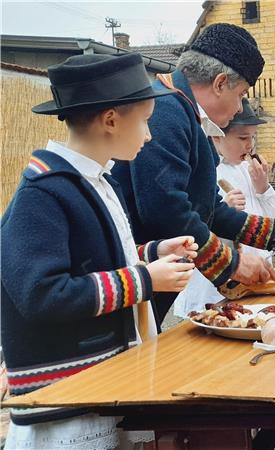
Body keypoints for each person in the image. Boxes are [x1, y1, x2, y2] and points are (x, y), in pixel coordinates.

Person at [2, 53, 197, 449]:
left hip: (99, 389)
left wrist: (152, 253)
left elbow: (94, 256)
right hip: (65, 406)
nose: (149, 135)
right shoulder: (43, 195)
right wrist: (145, 279)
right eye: (144, 121)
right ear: (110, 120)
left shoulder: (95, 181)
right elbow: (42, 294)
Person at [112, 24, 275, 327]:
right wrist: (232, 262)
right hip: (129, 277)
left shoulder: (188, 113)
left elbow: (208, 208)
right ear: (220, 83)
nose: (241, 105)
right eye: (242, 93)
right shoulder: (165, 111)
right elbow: (165, 209)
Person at [173, 98, 275, 317]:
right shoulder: (205, 171)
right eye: (242, 138)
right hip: (211, 290)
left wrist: (263, 188)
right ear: (218, 136)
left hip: (254, 284)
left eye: (252, 138)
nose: (249, 145)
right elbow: (187, 227)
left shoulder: (248, 171)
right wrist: (221, 211)